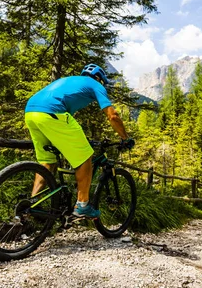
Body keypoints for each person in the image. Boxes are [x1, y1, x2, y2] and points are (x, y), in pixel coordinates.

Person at [25, 64, 135, 218]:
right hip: (52, 112)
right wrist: (125, 138)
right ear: (100, 79)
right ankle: (82, 205)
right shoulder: (96, 85)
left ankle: (31, 205)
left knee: (47, 162)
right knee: (85, 158)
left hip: (31, 112)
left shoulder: (69, 81)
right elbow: (113, 116)